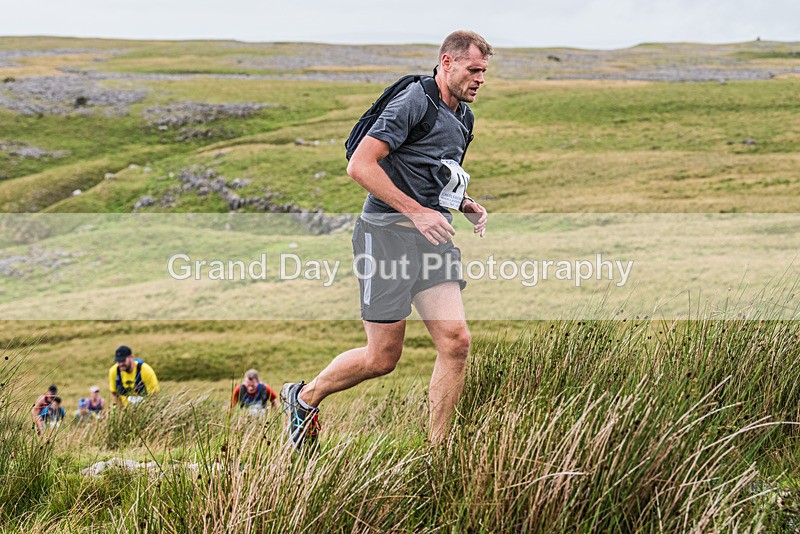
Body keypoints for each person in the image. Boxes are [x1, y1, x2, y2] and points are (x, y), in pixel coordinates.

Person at [281, 30, 492, 449]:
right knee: (382, 359)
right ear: (446, 63)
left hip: (432, 240)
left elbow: (433, 173)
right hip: (385, 239)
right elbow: (360, 165)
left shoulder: (465, 118)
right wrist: (415, 212)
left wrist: (464, 202)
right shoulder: (414, 101)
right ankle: (304, 398)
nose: (480, 79)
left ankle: (438, 451)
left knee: (456, 342)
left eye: (484, 72)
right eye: (473, 70)